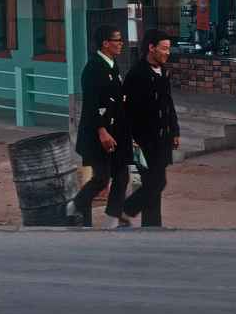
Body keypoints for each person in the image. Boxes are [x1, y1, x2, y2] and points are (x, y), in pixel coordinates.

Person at [66, 25, 130, 229]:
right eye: (117, 40)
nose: (121, 44)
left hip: (116, 132)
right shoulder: (93, 68)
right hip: (97, 134)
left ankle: (112, 219)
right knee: (102, 178)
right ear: (105, 43)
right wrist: (102, 131)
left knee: (122, 175)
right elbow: (92, 104)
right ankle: (74, 206)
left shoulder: (112, 65)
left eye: (121, 40)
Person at [122, 29, 180, 228]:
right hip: (142, 141)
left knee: (153, 185)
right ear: (151, 48)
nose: (167, 53)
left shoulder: (163, 72)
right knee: (156, 183)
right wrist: (131, 140)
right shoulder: (136, 75)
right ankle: (127, 209)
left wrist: (174, 130)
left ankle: (152, 227)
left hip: (161, 140)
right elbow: (127, 111)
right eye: (163, 49)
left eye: (168, 49)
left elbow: (168, 104)